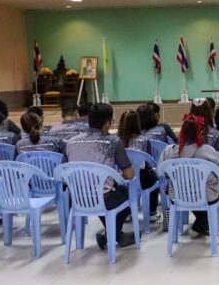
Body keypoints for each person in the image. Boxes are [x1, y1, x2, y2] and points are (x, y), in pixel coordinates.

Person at [65, 103, 136, 249]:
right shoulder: (113, 141)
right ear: (107, 123)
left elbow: (64, 172)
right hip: (104, 199)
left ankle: (111, 235)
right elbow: (129, 175)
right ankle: (114, 235)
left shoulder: (71, 142)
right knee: (123, 192)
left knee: (105, 191)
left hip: (77, 198)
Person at [160, 114, 219, 238]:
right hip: (207, 195)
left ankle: (201, 223)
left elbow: (161, 172)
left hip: (178, 195)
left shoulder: (169, 151)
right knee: (210, 190)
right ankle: (201, 223)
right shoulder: (207, 150)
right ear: (200, 132)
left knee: (189, 192)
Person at [117, 110, 160, 222]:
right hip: (143, 179)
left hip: (122, 179)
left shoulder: (116, 141)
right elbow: (149, 161)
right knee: (154, 178)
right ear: (138, 123)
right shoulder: (144, 140)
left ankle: (126, 213)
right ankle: (152, 212)